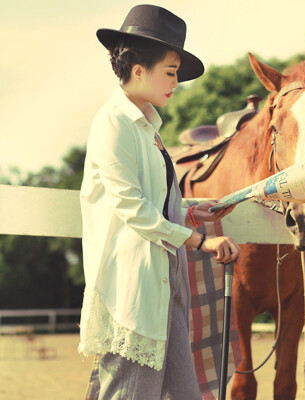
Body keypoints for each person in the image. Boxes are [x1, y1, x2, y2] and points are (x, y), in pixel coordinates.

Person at [78, 5, 241, 399]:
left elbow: (152, 201)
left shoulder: (148, 126)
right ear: (139, 70)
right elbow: (132, 207)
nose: (176, 83)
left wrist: (189, 211)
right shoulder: (113, 123)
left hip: (166, 286)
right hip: (133, 292)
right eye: (171, 72)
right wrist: (200, 241)